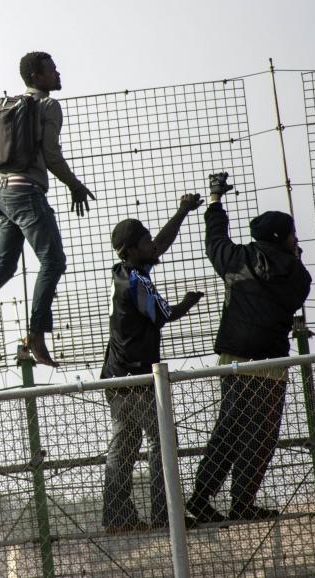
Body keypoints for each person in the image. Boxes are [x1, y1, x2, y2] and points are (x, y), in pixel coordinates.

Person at [0, 51, 96, 366]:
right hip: (27, 193)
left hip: (1, 193)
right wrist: (74, 184)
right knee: (53, 260)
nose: (58, 74)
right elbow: (51, 153)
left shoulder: (11, 105)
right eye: (52, 70)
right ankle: (37, 334)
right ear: (36, 76)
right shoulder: (47, 105)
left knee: (3, 266)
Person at [186, 172, 312, 523]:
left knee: (228, 428)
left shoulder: (235, 259)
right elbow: (298, 291)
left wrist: (215, 201)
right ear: (282, 238)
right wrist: (297, 258)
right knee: (261, 435)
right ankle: (242, 501)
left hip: (233, 358)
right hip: (271, 361)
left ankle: (200, 497)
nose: (295, 239)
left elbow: (215, 239)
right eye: (291, 235)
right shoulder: (298, 275)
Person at [100, 194, 205, 533]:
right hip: (138, 378)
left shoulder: (125, 272)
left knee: (124, 447)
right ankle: (166, 513)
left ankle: (118, 517)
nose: (152, 245)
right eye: (145, 241)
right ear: (131, 250)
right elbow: (163, 314)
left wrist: (182, 212)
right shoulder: (136, 281)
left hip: (117, 379)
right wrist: (188, 303)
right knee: (162, 444)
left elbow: (159, 244)